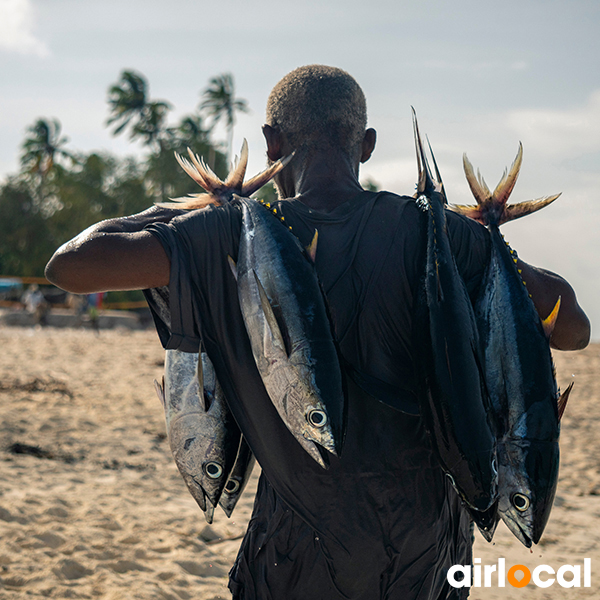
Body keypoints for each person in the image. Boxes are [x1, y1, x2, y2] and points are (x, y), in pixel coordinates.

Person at [45, 65, 590, 600]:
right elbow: (573, 329)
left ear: (270, 141)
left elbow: (71, 267)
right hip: (429, 561)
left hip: (292, 559)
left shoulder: (224, 235)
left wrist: (181, 212)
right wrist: (490, 248)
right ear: (368, 144)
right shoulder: (437, 233)